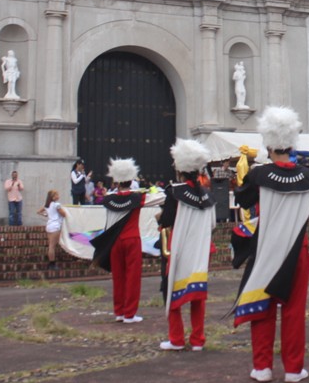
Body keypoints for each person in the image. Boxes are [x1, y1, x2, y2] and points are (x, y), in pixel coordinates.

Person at [233, 106, 309, 383]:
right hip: (298, 250)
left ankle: (262, 367)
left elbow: (243, 200)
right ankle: (294, 369)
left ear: (268, 144)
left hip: (267, 247)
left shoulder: (259, 175)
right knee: (294, 311)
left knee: (263, 306)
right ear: (292, 143)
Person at [158, 139, 216, 352]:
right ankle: (198, 339)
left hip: (180, 248)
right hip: (200, 249)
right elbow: (211, 224)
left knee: (172, 291)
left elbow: (166, 220)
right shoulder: (208, 195)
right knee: (197, 295)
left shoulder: (175, 192)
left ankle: (176, 338)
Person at [91, 158, 164, 323]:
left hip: (115, 241)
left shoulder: (108, 199)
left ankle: (119, 312)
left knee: (118, 276)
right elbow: (160, 198)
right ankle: (130, 313)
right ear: (131, 181)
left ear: (116, 181)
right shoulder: (137, 198)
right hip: (132, 239)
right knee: (132, 277)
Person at [37, 190, 67, 270]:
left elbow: (38, 212)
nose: (58, 196)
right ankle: (52, 263)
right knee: (52, 246)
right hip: (55, 225)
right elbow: (64, 214)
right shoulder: (56, 205)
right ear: (53, 197)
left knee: (51, 245)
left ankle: (51, 263)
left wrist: (47, 215)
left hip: (49, 225)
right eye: (56, 194)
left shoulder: (47, 205)